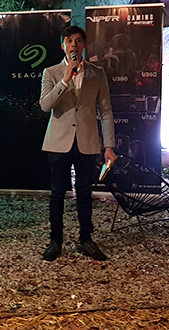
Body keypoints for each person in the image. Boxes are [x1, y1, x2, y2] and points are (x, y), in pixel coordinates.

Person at [39, 25, 117, 262]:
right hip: (58, 142)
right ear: (63, 45)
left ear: (84, 45)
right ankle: (55, 241)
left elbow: (106, 111)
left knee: (84, 192)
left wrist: (109, 146)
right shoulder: (51, 72)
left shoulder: (97, 73)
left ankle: (86, 239)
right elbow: (45, 106)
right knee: (57, 193)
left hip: (87, 141)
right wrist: (65, 79)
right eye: (69, 41)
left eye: (78, 41)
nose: (74, 45)